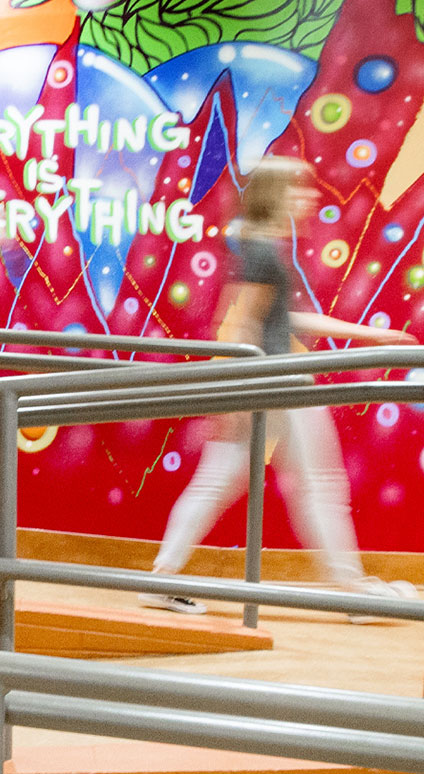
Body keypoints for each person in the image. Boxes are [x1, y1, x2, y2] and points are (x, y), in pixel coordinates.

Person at [140, 157, 419, 619]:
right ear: (278, 194)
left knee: (221, 481)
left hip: (267, 381)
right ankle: (352, 590)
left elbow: (278, 319)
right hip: (277, 383)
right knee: (319, 487)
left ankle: (161, 578)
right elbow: (238, 322)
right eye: (301, 189)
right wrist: (233, 394)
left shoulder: (259, 245)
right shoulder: (261, 250)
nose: (310, 198)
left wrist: (371, 335)